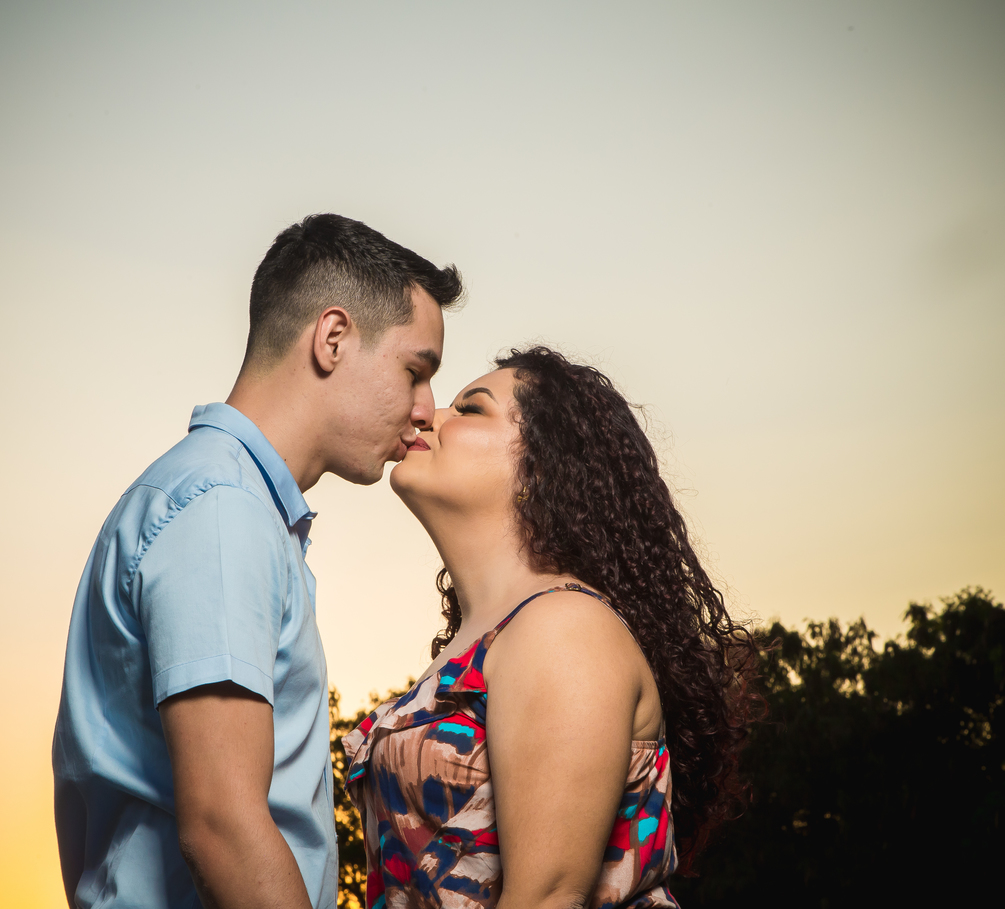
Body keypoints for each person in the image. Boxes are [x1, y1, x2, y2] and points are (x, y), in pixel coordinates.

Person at [52, 213, 463, 909]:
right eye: (415, 370)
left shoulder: (228, 503)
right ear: (333, 338)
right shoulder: (222, 511)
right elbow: (223, 826)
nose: (427, 409)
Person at [343, 347, 761, 909]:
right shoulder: (497, 636)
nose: (429, 415)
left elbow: (548, 899)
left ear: (540, 468)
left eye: (470, 408)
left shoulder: (563, 629)